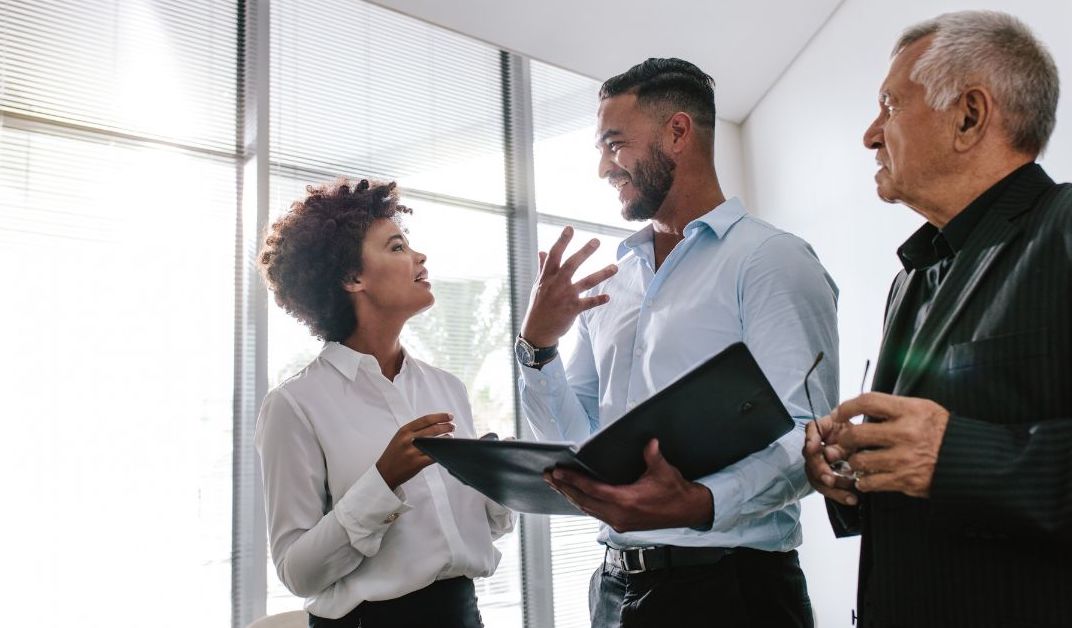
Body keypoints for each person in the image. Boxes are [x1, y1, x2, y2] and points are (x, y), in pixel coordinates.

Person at [516, 58, 839, 627]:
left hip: (733, 589)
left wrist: (703, 502)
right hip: (614, 588)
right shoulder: (610, 279)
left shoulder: (771, 260)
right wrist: (538, 348)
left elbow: (808, 437)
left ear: (678, 132)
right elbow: (578, 444)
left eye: (615, 145)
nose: (602, 168)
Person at [803, 11, 1072, 627]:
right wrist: (853, 469)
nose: (871, 134)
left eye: (889, 105)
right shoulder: (910, 280)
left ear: (969, 116)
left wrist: (955, 457)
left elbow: (944, 457)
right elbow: (916, 466)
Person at [255, 178, 515, 627]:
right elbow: (297, 572)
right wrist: (383, 480)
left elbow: (483, 530)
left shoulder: (447, 388)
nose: (419, 257)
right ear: (352, 278)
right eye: (396, 247)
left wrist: (497, 479)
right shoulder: (294, 405)